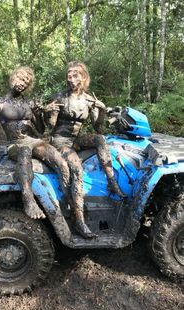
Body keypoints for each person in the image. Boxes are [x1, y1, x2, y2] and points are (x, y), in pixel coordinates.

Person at [0, 66, 70, 219]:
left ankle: (66, 201)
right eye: (21, 78)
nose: (23, 82)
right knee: (24, 151)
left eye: (26, 81)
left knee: (61, 162)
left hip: (34, 141)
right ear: (13, 77)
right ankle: (29, 201)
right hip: (15, 143)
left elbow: (41, 130)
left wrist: (38, 113)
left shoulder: (28, 103)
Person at [44, 61, 125, 238]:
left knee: (100, 139)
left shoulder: (88, 99)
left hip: (75, 140)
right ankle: (79, 221)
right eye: (69, 75)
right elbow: (50, 126)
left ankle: (112, 182)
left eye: (75, 75)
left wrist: (102, 110)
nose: (71, 79)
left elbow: (97, 127)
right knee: (77, 169)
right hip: (60, 140)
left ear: (83, 76)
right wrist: (48, 112)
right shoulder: (61, 97)